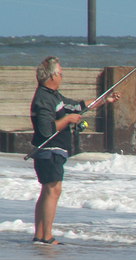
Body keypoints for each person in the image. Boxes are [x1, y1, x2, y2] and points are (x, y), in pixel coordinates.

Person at [30, 56, 121, 245]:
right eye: (61, 74)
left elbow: (78, 107)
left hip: (52, 151)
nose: (62, 77)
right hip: (49, 150)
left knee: (48, 190)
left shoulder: (54, 96)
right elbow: (47, 129)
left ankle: (40, 235)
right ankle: (46, 237)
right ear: (52, 75)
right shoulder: (44, 98)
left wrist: (105, 99)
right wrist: (69, 120)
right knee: (53, 190)